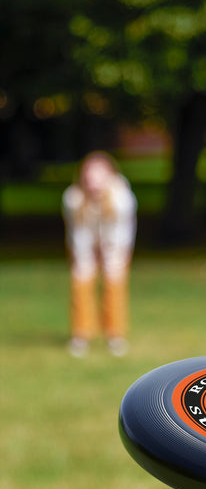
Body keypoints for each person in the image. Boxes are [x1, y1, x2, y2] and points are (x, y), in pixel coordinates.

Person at [62, 151, 137, 357]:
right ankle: (81, 335)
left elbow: (122, 231)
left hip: (115, 244)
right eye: (89, 175)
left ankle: (115, 335)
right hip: (84, 243)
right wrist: (84, 258)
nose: (93, 181)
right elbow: (77, 232)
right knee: (81, 281)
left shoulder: (122, 197)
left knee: (114, 283)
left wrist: (111, 255)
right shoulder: (73, 198)